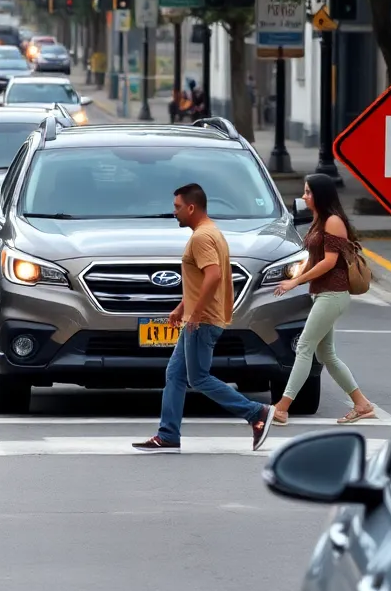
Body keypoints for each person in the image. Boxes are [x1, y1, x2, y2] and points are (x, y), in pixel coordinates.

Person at [133, 183, 275, 452]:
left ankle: (256, 413)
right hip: (198, 317)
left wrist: (195, 313)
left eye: (177, 207)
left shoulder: (200, 237)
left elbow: (214, 276)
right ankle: (168, 434)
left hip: (203, 320)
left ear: (191, 207)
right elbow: (201, 279)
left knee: (198, 378)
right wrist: (181, 308)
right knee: (175, 374)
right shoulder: (213, 233)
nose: (174, 212)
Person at [271, 174, 375, 426]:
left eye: (308, 192)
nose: (304, 196)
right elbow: (313, 257)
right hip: (322, 294)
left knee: (304, 346)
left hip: (334, 294)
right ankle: (362, 404)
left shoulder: (333, 221)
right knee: (326, 354)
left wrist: (296, 281)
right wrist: (295, 276)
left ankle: (282, 407)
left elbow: (329, 262)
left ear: (320, 194)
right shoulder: (320, 220)